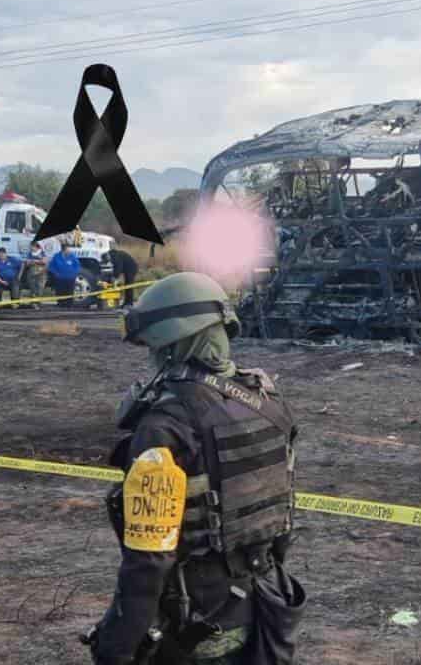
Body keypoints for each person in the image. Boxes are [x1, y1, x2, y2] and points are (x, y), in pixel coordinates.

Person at [86, 272, 306, 665]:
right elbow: (282, 515)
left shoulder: (164, 425)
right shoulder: (269, 400)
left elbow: (148, 560)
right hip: (265, 602)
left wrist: (116, 647)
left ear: (171, 342)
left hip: (198, 621)